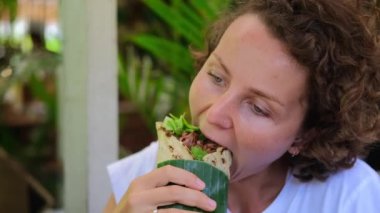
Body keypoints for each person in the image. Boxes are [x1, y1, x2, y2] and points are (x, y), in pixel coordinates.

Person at [105, 0, 380, 212]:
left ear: (306, 135)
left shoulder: (352, 198)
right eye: (216, 76)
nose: (215, 114)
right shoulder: (146, 175)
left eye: (258, 108)